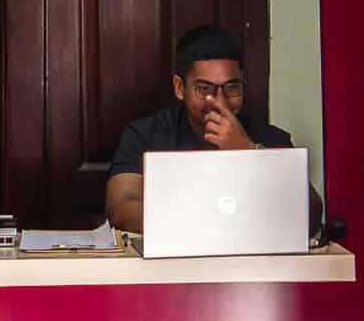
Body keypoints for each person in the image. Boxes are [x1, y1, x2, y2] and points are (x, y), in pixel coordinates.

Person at [104, 24, 319, 234]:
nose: (219, 101)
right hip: (177, 251)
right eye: (204, 89)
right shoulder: (147, 134)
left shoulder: (269, 138)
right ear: (179, 88)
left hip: (249, 254)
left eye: (231, 87)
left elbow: (311, 213)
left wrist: (249, 152)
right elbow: (121, 208)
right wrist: (206, 221)